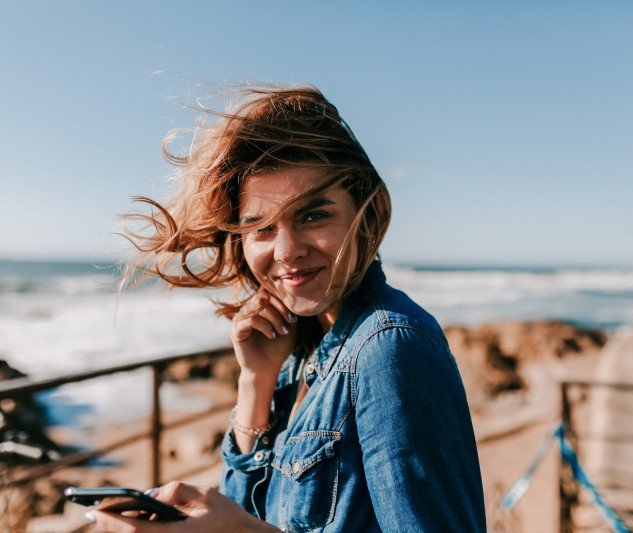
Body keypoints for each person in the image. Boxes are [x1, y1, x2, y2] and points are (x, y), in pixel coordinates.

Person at [93, 86, 486, 532]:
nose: (286, 251)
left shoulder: (390, 349)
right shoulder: (300, 347)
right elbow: (253, 512)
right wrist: (255, 383)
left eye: (313, 216)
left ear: (367, 213)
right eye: (260, 228)